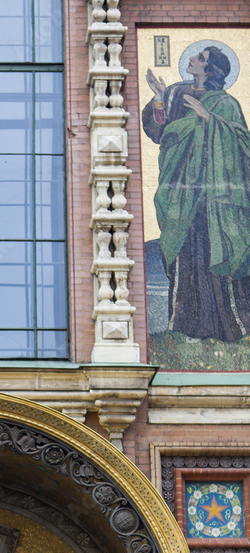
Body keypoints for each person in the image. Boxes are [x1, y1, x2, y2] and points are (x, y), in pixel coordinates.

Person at [143, 45, 250, 342]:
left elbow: (243, 144)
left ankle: (232, 331)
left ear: (210, 71)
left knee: (217, 254)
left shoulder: (226, 104)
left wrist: (209, 120)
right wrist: (160, 98)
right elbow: (158, 133)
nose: (191, 59)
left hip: (215, 200)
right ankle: (185, 329)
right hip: (179, 192)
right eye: (194, 56)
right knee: (186, 256)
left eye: (199, 59)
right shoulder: (177, 93)